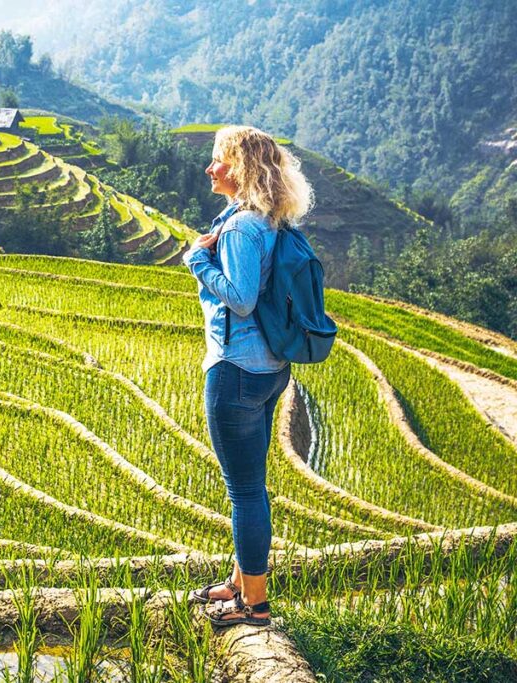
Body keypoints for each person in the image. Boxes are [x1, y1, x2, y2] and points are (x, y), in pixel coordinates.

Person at [182, 125, 314, 628]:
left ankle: (252, 605)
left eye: (219, 161)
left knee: (244, 492)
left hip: (236, 369)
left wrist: (198, 260)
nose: (210, 169)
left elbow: (239, 298)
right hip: (269, 369)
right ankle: (241, 581)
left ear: (238, 170)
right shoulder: (266, 219)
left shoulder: (240, 228)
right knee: (253, 486)